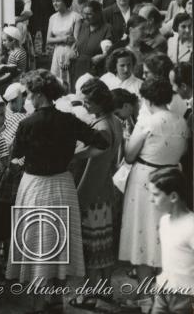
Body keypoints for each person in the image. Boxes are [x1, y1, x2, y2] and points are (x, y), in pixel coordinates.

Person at [7, 69, 109, 313]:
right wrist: (76, 155)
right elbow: (103, 142)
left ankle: (41, 303)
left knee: (38, 244)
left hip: (36, 186)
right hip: (63, 184)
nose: (29, 98)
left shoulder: (27, 123)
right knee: (59, 244)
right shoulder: (69, 120)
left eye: (30, 93)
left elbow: (15, 155)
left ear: (40, 94)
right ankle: (56, 299)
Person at [119, 78, 190, 309]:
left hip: (146, 180)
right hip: (171, 179)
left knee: (144, 236)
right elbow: (184, 150)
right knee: (164, 237)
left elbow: (129, 156)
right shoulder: (181, 121)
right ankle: (165, 296)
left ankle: (144, 298)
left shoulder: (148, 121)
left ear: (147, 99)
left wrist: (128, 136)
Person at [71, 78, 123, 312]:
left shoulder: (101, 127)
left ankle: (91, 296)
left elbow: (94, 170)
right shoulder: (114, 121)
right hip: (106, 193)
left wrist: (79, 199)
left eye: (88, 102)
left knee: (92, 251)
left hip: (94, 196)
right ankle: (105, 292)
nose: (85, 106)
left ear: (100, 102)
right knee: (103, 249)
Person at [147, 167, 194, 314]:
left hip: (186, 297)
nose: (150, 199)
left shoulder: (191, 226)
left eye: (155, 194)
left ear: (173, 197)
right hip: (163, 290)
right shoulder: (164, 221)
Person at [47, 0, 81, 89]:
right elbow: (48, 40)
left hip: (70, 53)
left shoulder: (76, 17)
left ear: (65, 1)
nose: (55, 3)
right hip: (57, 53)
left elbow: (77, 40)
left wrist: (69, 57)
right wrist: (63, 39)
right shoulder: (53, 18)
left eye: (58, 1)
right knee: (56, 83)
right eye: (53, 1)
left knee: (69, 83)